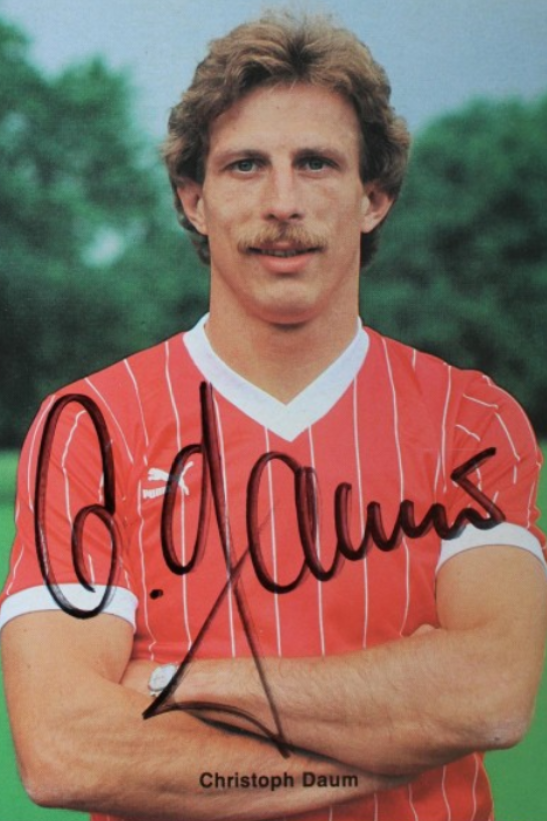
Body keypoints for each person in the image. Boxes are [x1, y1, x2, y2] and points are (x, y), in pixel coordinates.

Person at [1, 11, 546, 821]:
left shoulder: (471, 421)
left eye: (316, 163)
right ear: (193, 199)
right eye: (245, 165)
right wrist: (401, 730)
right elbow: (64, 748)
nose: (282, 202)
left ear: (373, 197)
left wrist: (189, 682)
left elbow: (490, 695)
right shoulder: (88, 424)